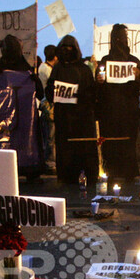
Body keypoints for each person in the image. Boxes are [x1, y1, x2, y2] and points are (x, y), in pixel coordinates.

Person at [0, 34, 45, 183]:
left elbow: (40, 93)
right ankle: (25, 170)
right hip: (14, 118)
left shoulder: (21, 70)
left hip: (20, 117)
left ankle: (25, 170)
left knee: (19, 142)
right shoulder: (0, 69)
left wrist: (34, 81)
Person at [46, 34, 97, 185]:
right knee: (65, 149)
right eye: (64, 49)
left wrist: (79, 96)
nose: (67, 52)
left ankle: (87, 175)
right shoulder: (58, 69)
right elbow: (50, 91)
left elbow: (91, 92)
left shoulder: (84, 69)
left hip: (82, 117)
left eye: (69, 49)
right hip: (64, 117)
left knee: (83, 148)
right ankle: (66, 176)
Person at [95, 24, 140, 183]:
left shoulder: (134, 61)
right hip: (110, 110)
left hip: (128, 111)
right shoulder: (105, 61)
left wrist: (138, 77)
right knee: (110, 142)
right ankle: (111, 171)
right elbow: (98, 87)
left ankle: (129, 172)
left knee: (128, 142)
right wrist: (99, 81)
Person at [38, 45, 58, 172]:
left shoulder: (42, 67)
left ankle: (50, 161)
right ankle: (50, 163)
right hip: (49, 106)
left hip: (46, 105)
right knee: (50, 136)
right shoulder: (48, 70)